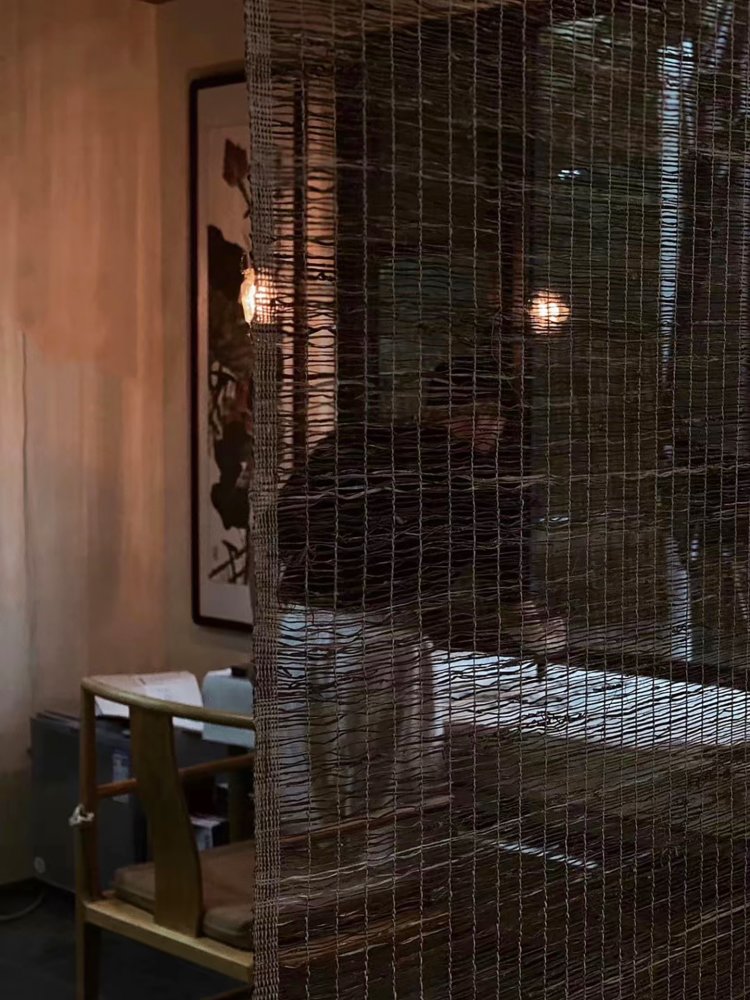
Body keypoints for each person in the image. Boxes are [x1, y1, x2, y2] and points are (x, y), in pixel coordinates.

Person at [275, 356, 565, 831]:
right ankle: (369, 874)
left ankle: (307, 870)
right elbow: (508, 592)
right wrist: (545, 637)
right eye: (494, 412)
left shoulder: (351, 444)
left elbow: (284, 527)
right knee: (381, 791)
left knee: (300, 783)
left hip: (293, 632)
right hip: (376, 641)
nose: (496, 426)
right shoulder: (485, 482)